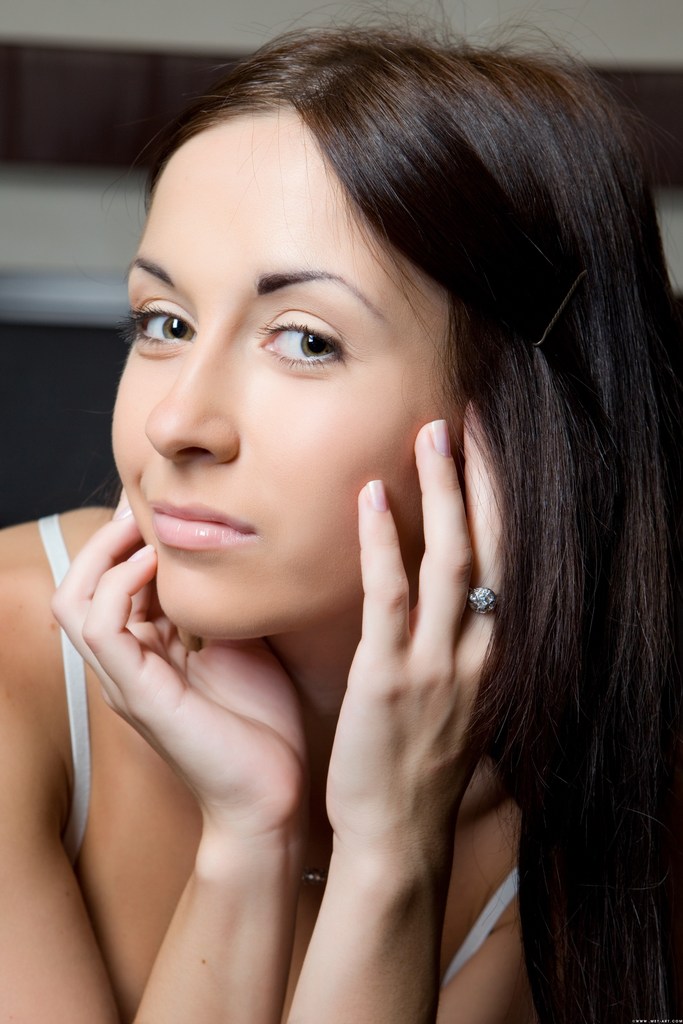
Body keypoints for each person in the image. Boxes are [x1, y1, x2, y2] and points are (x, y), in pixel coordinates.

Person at [0, 24, 680, 1024]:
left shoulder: (607, 780)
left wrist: (390, 848)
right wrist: (248, 837)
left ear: (513, 420)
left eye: (305, 341)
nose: (175, 423)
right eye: (164, 323)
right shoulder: (12, 658)